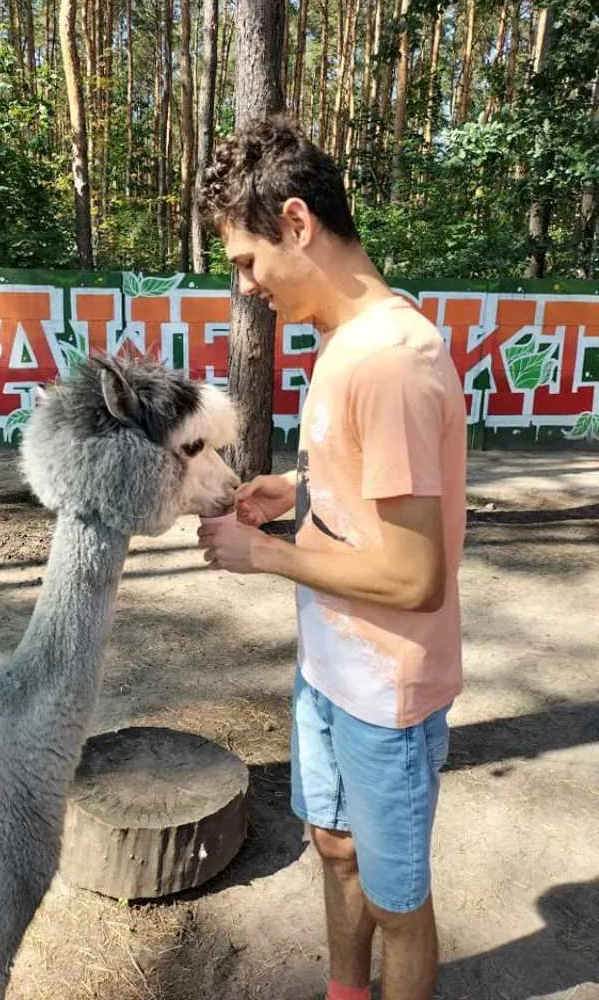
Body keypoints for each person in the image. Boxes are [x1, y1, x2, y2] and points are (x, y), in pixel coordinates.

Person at [196, 115, 467, 1000]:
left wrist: (266, 557)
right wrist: (298, 491)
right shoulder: (346, 345)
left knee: (396, 902)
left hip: (386, 692)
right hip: (332, 667)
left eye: (247, 261)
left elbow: (415, 577)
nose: (248, 286)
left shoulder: (389, 362)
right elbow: (365, 495)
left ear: (298, 223)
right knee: (334, 845)